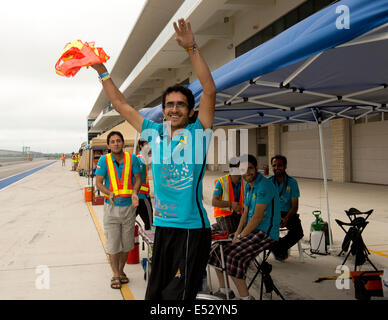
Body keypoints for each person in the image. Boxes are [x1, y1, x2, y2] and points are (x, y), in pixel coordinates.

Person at [90, 18, 216, 300]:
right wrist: (102, 71)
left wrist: (191, 48)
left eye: (180, 105)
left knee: (179, 295)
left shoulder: (199, 132)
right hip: (164, 226)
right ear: (162, 110)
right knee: (156, 292)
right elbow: (121, 105)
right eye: (169, 104)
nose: (174, 109)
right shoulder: (154, 132)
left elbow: (209, 90)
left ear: (190, 111)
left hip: (191, 229)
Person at [208, 154, 280, 300]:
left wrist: (240, 236)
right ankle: (225, 291)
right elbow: (245, 213)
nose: (247, 172)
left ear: (256, 168)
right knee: (216, 253)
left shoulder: (264, 186)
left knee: (234, 257)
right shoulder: (248, 186)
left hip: (265, 233)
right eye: (243, 169)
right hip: (252, 230)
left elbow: (257, 217)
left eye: (250, 168)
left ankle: (246, 298)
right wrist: (236, 234)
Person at [95, 131, 141, 289]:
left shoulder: (132, 158)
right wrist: (108, 192)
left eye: (118, 141)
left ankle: (121, 271)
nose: (116, 143)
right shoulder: (104, 160)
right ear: (108, 145)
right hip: (111, 208)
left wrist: (135, 192)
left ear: (123, 143)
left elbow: (138, 178)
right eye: (112, 141)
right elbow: (99, 183)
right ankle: (115, 274)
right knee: (113, 244)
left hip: (129, 208)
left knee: (127, 244)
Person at [268, 155, 304, 261]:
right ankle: (279, 249)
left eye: (279, 165)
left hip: (288, 214)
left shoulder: (292, 182)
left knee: (298, 232)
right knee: (262, 230)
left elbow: (295, 206)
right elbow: (266, 204)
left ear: (285, 166)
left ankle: (278, 247)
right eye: (274, 165)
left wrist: (286, 218)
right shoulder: (268, 182)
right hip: (272, 213)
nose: (277, 167)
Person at [212, 157, 245, 233]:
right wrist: (231, 204)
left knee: (244, 232)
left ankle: (218, 226)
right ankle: (217, 227)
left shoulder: (244, 181)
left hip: (240, 213)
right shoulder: (222, 181)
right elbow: (214, 202)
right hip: (224, 214)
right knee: (231, 234)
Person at [135, 139, 153, 230]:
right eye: (146, 144)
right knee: (150, 223)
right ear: (141, 146)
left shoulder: (143, 158)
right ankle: (151, 243)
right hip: (142, 196)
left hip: (140, 195)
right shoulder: (140, 159)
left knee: (129, 220)